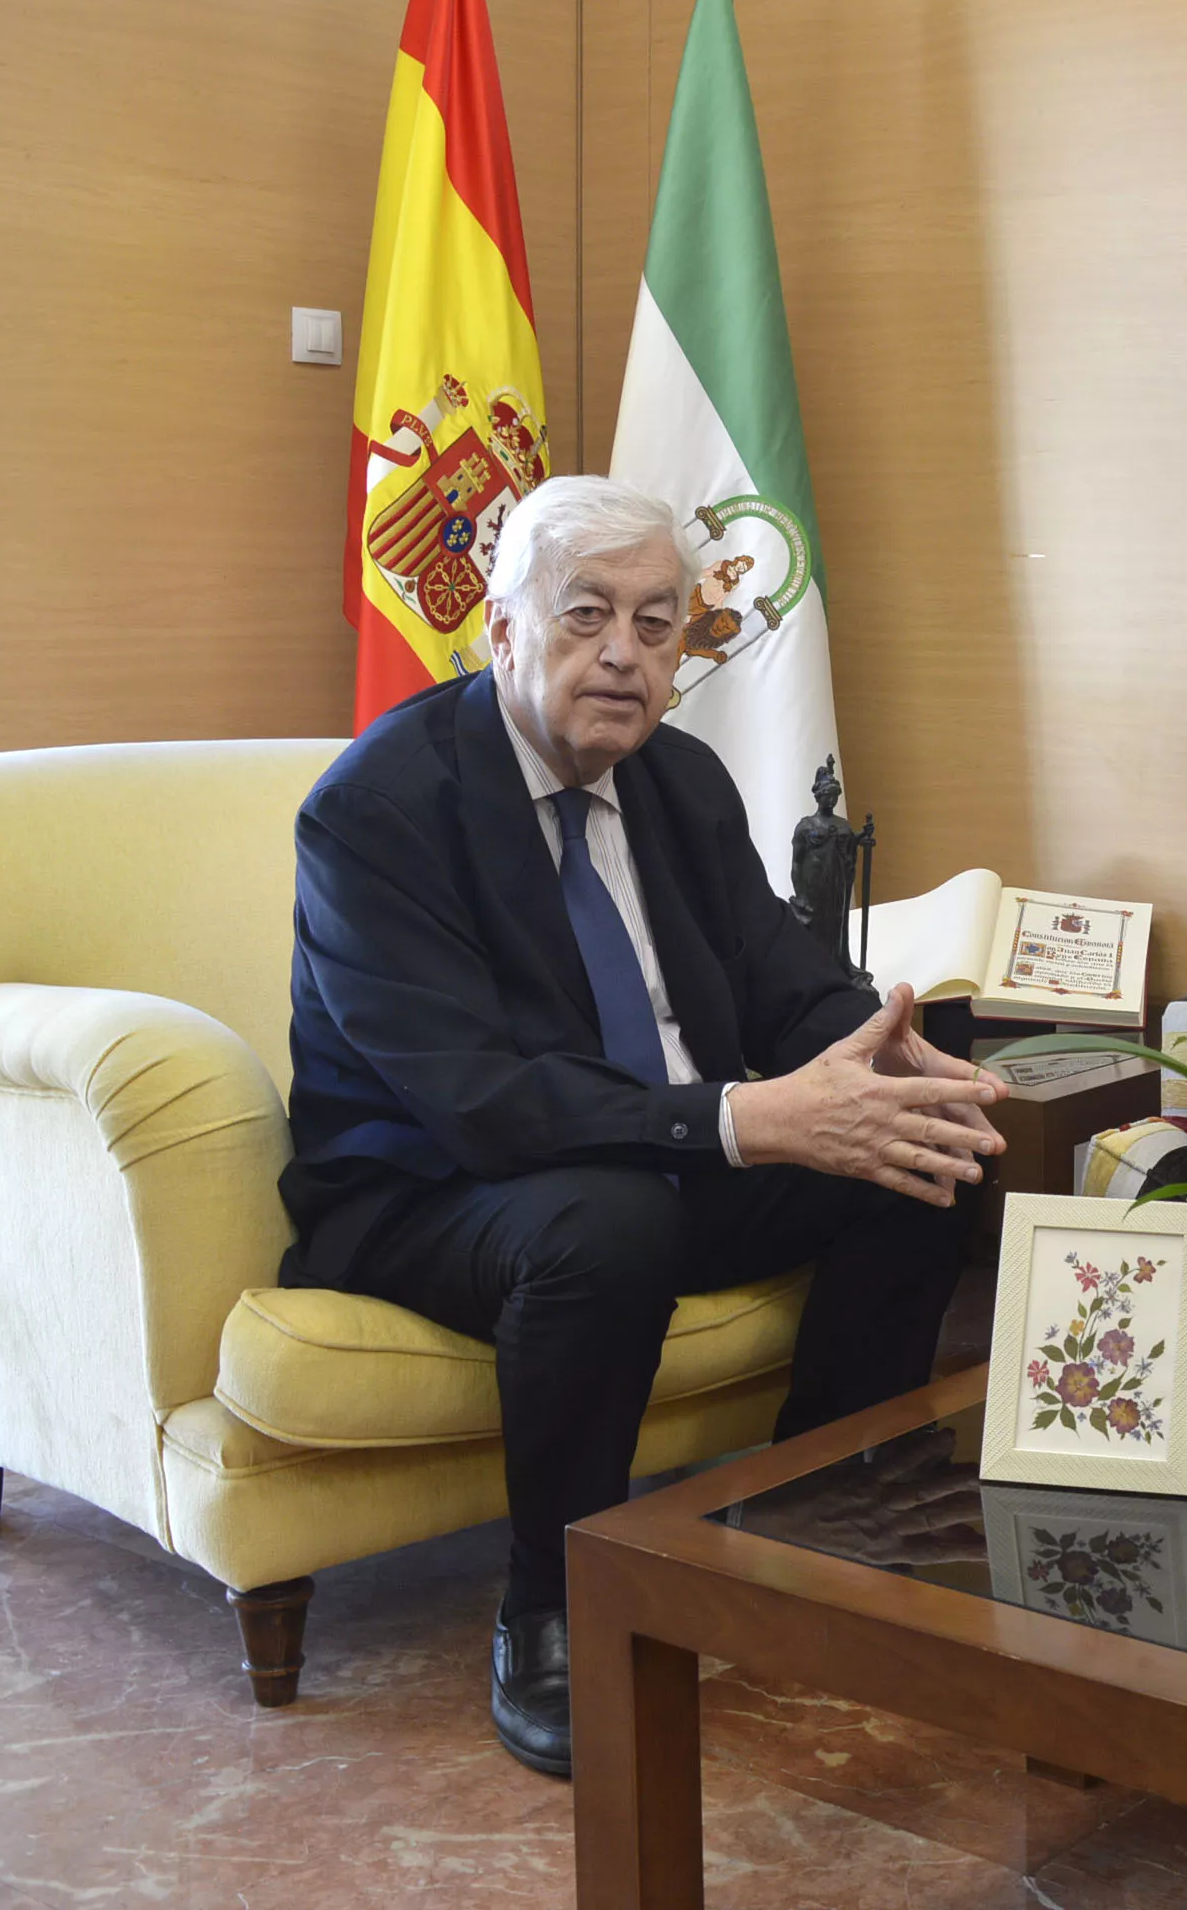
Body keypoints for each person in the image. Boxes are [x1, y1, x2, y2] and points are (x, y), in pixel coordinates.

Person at [279, 475, 1009, 1776]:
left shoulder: (681, 780)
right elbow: (478, 1099)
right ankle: (551, 1610)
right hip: (432, 1191)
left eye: (659, 624)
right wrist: (739, 1120)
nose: (624, 652)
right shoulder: (377, 810)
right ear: (500, 632)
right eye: (586, 615)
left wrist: (874, 1050)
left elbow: (785, 986)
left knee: (923, 1138)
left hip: (663, 1152)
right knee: (602, 1222)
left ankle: (827, 1519)